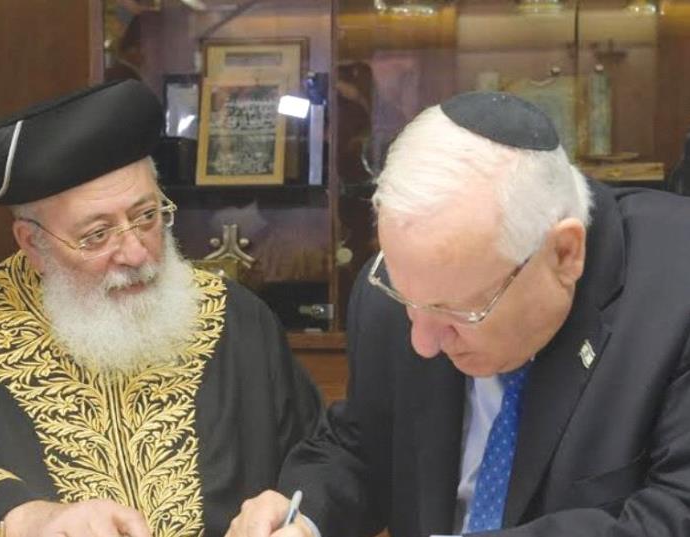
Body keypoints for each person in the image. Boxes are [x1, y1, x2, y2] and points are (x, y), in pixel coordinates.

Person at [0, 79, 322, 537]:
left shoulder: (236, 318)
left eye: (147, 216)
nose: (136, 254)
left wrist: (294, 519)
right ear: (33, 244)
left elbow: (318, 459)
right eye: (97, 235)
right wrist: (22, 517)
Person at [226, 92, 690, 537]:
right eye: (409, 301)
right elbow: (363, 445)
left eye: (459, 310)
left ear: (565, 254)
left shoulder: (675, 290)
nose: (422, 341)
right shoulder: (399, 286)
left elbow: (676, 513)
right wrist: (304, 518)